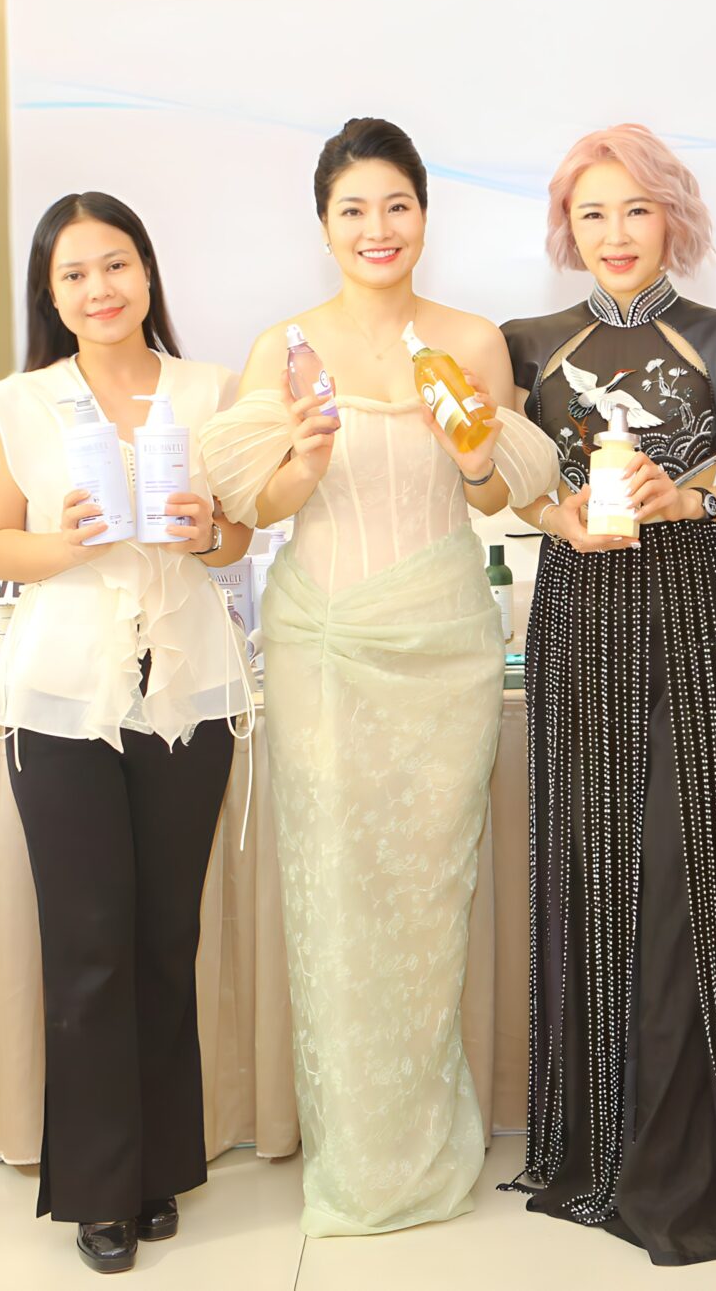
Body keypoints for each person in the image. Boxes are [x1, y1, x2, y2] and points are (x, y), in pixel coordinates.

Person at [198, 118, 559, 1237]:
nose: (376, 227)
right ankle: (357, 1161)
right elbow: (250, 506)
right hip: (325, 644)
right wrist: (301, 459)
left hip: (444, 643)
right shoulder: (283, 348)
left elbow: (496, 495)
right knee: (339, 900)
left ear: (424, 216)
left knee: (428, 897)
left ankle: (426, 1144)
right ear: (324, 225)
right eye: (353, 209)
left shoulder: (473, 341)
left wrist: (475, 456)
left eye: (396, 204)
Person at [498, 126, 716, 1263]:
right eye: (592, 213)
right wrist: (553, 513)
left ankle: (688, 1151)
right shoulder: (526, 346)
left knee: (684, 862)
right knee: (592, 858)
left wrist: (689, 500)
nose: (614, 234)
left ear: (675, 217)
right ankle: (598, 1138)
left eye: (636, 209)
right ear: (566, 228)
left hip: (687, 604)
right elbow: (503, 480)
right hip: (577, 605)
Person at [0, 192, 256, 1275]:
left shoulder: (208, 391)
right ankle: (98, 1187)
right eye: (75, 274)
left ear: (147, 274)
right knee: (89, 943)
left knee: (164, 937)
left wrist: (212, 530)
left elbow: (237, 535)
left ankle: (159, 1166)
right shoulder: (18, 404)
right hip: (61, 697)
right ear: (50, 295)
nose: (100, 289)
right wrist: (63, 544)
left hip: (186, 688)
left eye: (117, 265)